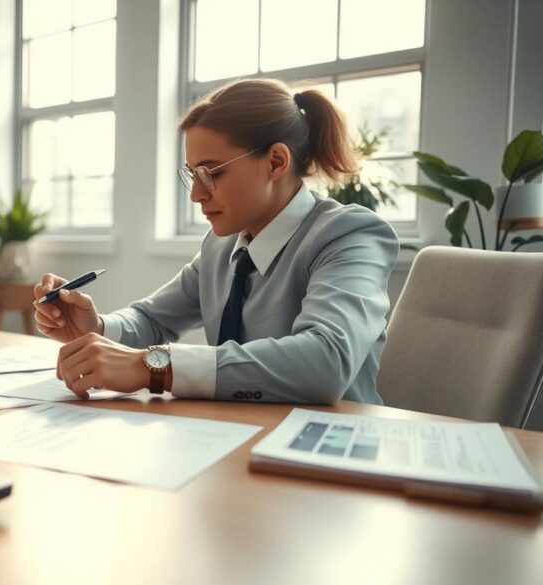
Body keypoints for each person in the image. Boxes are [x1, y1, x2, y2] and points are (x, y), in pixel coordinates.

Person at [32, 78, 399, 404]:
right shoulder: (221, 246)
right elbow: (152, 318)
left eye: (211, 173)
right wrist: (96, 328)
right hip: (236, 437)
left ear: (275, 162)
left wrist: (155, 366)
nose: (196, 195)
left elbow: (325, 361)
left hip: (330, 454)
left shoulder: (350, 237)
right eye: (192, 174)